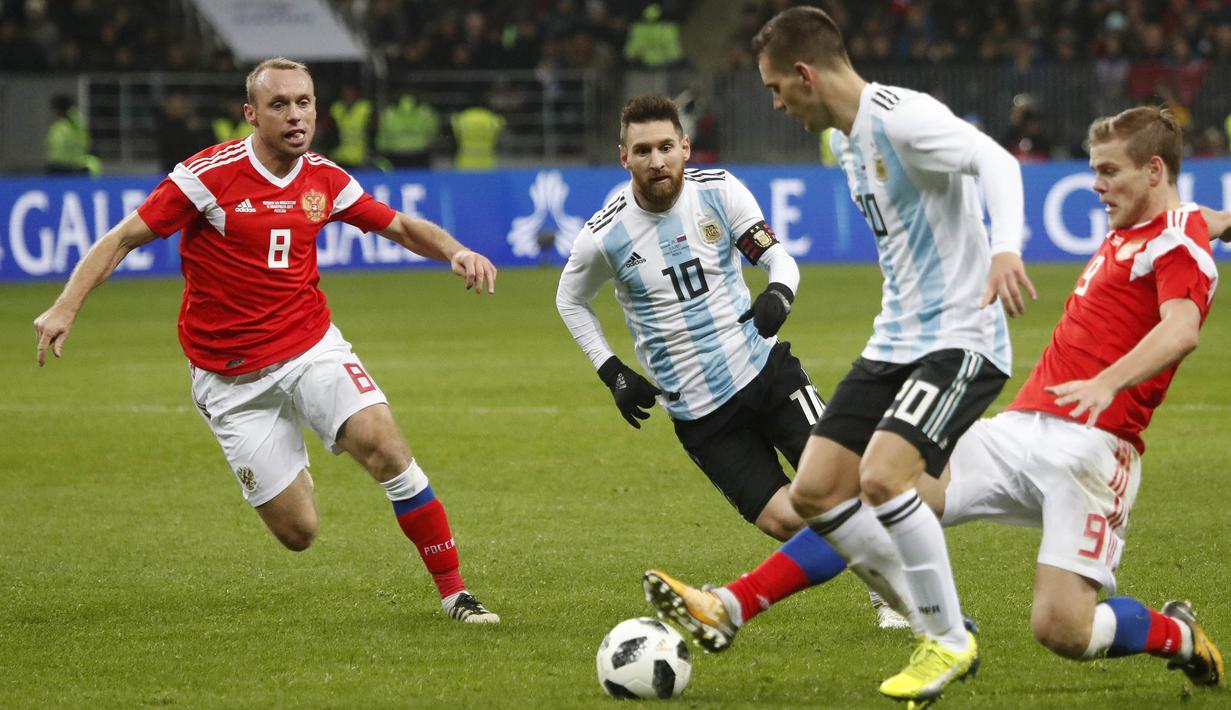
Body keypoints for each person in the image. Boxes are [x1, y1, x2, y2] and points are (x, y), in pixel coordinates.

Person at [647, 106, 1227, 691]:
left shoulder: (1179, 242)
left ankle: (1176, 633)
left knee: (1063, 629)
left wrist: (1107, 382)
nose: (1096, 185)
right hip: (1023, 429)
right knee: (873, 492)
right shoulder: (1163, 226)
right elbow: (1198, 219)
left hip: (1097, 453)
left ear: (1154, 170)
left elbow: (1180, 328)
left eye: (1109, 172)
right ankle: (731, 605)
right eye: (1095, 170)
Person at [644, 7, 1035, 704]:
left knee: (883, 480)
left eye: (773, 87)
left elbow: (994, 160)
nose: (773, 101)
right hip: (893, 342)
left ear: (803, 74)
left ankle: (945, 638)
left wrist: (1004, 248)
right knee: (817, 491)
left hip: (957, 341)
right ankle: (931, 620)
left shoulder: (900, 117)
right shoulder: (846, 141)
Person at [32, 57, 501, 624]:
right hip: (228, 377)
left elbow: (399, 226)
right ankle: (288, 456)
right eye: (279, 105)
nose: (295, 115)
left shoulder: (326, 179)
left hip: (310, 347)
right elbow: (122, 238)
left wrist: (455, 250)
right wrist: (66, 304)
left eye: (304, 103)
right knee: (299, 533)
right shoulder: (207, 175)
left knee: (387, 449)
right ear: (251, 114)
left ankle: (455, 593)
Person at [556, 94, 905, 638]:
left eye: (667, 147)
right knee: (785, 519)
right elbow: (569, 300)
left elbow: (776, 256)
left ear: (685, 148)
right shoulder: (604, 234)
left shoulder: (718, 191)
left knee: (839, 489)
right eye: (643, 150)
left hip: (767, 373)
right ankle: (886, 577)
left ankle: (894, 597)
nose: (657, 161)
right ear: (623, 157)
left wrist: (779, 295)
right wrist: (612, 371)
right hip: (700, 415)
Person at [46, 94, 100, 175]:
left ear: (58, 110)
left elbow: (55, 148)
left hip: (62, 167)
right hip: (74, 166)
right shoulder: (78, 124)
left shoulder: (60, 126)